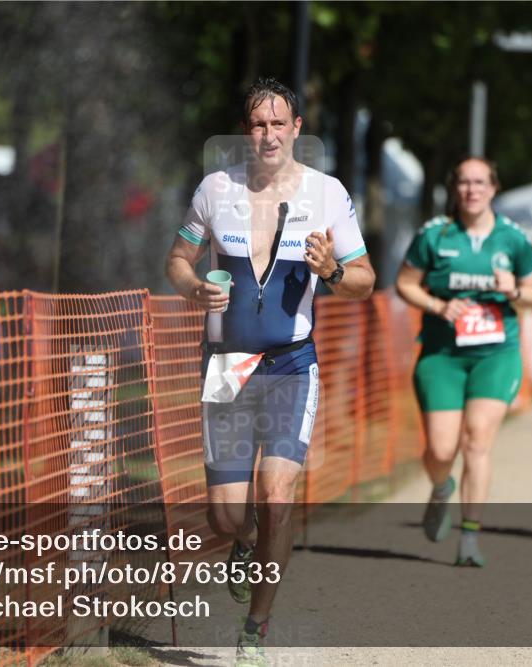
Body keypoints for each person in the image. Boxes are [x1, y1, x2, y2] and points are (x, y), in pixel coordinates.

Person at [165, 76, 375, 667]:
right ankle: (244, 543)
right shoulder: (215, 189)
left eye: (279, 123)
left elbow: (365, 282)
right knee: (227, 514)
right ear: (245, 130)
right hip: (227, 367)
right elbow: (178, 258)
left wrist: (332, 269)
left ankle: (255, 628)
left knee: (276, 492)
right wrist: (192, 286)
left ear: (297, 129)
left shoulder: (327, 194)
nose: (268, 134)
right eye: (258, 124)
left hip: (290, 366)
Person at [395, 157, 532, 567]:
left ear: (494, 188)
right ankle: (442, 488)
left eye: (480, 182)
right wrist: (438, 305)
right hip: (442, 355)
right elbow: (404, 283)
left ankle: (471, 539)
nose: (471, 190)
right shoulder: (434, 235)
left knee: (477, 440)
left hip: (496, 355)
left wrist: (514, 290)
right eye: (463, 183)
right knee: (441, 450)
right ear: (454, 189)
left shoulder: (513, 239)